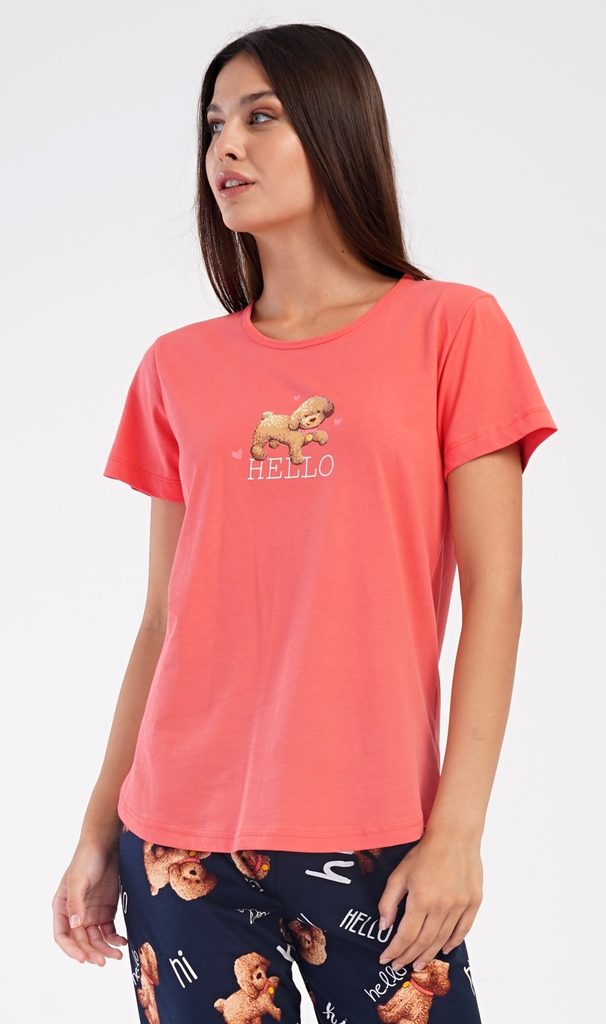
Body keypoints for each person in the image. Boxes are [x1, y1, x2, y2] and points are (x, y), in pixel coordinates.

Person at [51, 22, 558, 1024]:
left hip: (375, 832)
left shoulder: (453, 329)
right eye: (213, 125)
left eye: (261, 117)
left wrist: (458, 830)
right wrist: (99, 828)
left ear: (334, 130)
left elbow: (496, 597)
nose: (226, 147)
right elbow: (162, 618)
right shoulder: (178, 367)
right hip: (179, 837)